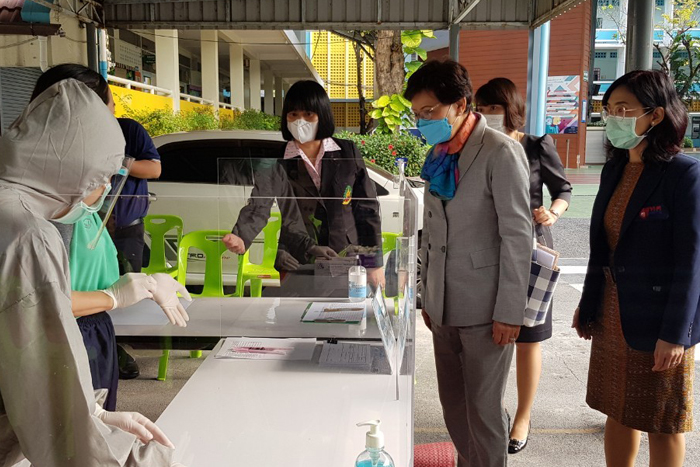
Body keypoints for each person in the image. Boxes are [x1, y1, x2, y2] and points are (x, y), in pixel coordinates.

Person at [0, 78, 180, 466]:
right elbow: (53, 410)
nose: (102, 190)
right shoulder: (30, 234)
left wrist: (94, 412)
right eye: (102, 178)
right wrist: (140, 457)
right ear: (76, 169)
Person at [31, 64, 191, 411]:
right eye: (109, 111)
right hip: (64, 344)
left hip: (95, 336)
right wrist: (112, 297)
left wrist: (145, 284)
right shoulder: (51, 211)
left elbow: (94, 275)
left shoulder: (86, 209)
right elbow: (40, 304)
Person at [406, 59, 532, 467]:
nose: (423, 121)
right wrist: (427, 294)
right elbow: (434, 233)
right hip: (443, 304)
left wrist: (510, 311)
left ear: (460, 104)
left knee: (482, 407)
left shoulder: (500, 151)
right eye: (417, 114)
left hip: (486, 307)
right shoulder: (440, 153)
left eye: (430, 112)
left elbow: (517, 236)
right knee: (453, 405)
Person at [573, 70, 700, 467]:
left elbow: (692, 261)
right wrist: (589, 304)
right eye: (608, 109)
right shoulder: (614, 169)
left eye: (623, 109)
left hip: (660, 321)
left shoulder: (685, 174)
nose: (613, 117)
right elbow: (603, 248)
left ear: (656, 116)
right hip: (613, 312)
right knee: (618, 408)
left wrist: (676, 335)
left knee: (663, 420)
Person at [475, 77, 572, 454]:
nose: (486, 116)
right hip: (485, 249)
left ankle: (523, 416)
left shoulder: (535, 144)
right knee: (488, 333)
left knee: (528, 338)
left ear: (510, 110)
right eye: (480, 109)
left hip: (532, 246)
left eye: (493, 109)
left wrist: (553, 213)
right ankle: (491, 409)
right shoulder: (474, 146)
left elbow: (563, 188)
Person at [223, 80, 384, 292]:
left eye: (308, 114)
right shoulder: (278, 159)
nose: (300, 121)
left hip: (345, 256)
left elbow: (366, 209)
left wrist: (372, 262)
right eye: (293, 115)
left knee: (343, 317)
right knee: (294, 319)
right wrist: (241, 235)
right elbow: (259, 204)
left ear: (322, 114)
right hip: (297, 259)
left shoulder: (347, 151)